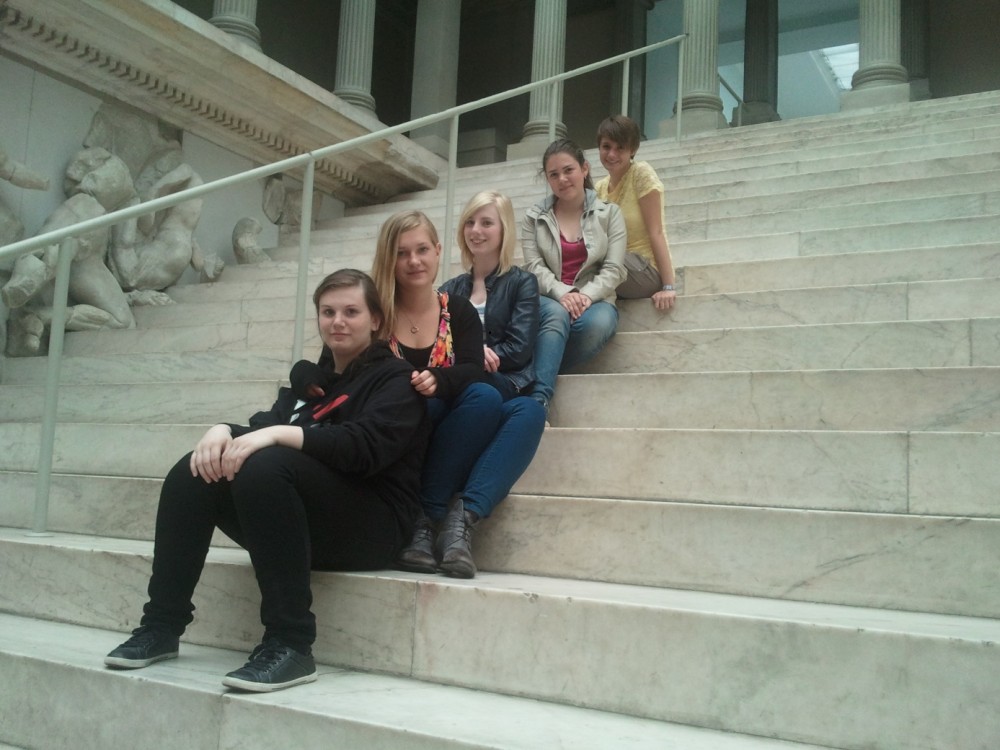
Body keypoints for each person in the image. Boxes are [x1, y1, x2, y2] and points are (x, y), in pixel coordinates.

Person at [104, 268, 430, 693]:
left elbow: (363, 448)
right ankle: (160, 626)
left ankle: (291, 644)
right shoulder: (309, 387)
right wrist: (223, 429)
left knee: (266, 465)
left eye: (351, 312)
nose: (338, 321)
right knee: (195, 470)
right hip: (300, 522)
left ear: (376, 320)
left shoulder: (396, 379)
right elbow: (260, 430)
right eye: (328, 312)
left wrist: (277, 435)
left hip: (373, 528)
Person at [395, 193, 547, 578]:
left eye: (486, 222)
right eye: (470, 222)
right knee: (483, 396)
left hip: (500, 379)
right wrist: (470, 354)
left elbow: (520, 348)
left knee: (529, 410)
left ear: (504, 229)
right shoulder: (451, 289)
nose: (476, 230)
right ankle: (432, 519)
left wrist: (475, 354)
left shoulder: (521, 282)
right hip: (457, 382)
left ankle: (460, 521)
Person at [521, 138, 627, 413]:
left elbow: (614, 269)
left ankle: (523, 375)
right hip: (548, 297)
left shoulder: (610, 213)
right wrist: (562, 292)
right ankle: (538, 401)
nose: (562, 179)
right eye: (554, 174)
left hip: (595, 299)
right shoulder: (534, 217)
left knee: (598, 325)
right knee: (556, 315)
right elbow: (533, 267)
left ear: (585, 169)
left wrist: (584, 296)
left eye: (568, 170)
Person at [594, 114, 677, 311]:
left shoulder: (641, 174)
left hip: (645, 271)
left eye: (620, 148)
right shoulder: (599, 188)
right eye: (606, 146)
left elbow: (656, 231)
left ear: (632, 150)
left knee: (595, 257)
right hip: (615, 269)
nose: (612, 154)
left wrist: (668, 286)